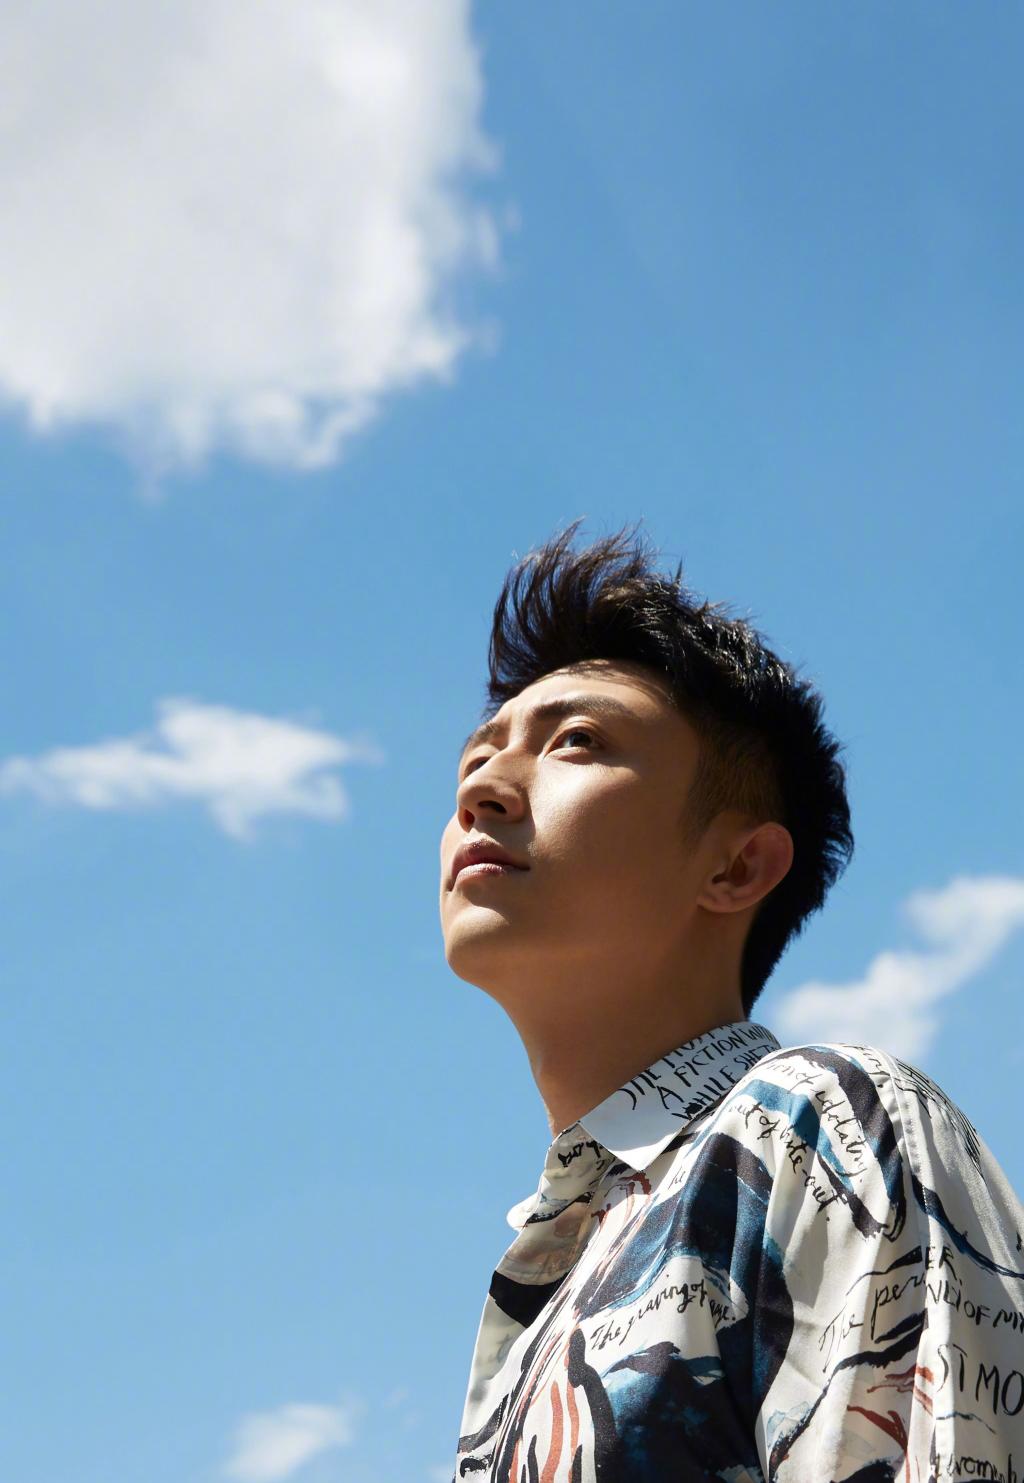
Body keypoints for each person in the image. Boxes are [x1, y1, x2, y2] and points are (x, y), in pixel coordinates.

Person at [438, 518, 1024, 1482]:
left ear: (739, 865)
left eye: (575, 741)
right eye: (474, 760)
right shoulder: (558, 1266)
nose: (484, 791)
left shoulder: (821, 1123)